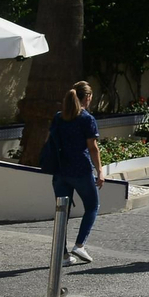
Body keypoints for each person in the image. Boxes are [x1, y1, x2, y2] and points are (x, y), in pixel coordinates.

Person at [48, 80, 103, 265]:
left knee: (62, 213)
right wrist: (100, 170)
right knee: (92, 206)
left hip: (60, 170)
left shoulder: (59, 117)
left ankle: (62, 255)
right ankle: (79, 244)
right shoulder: (87, 119)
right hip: (80, 170)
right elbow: (93, 147)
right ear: (87, 97)